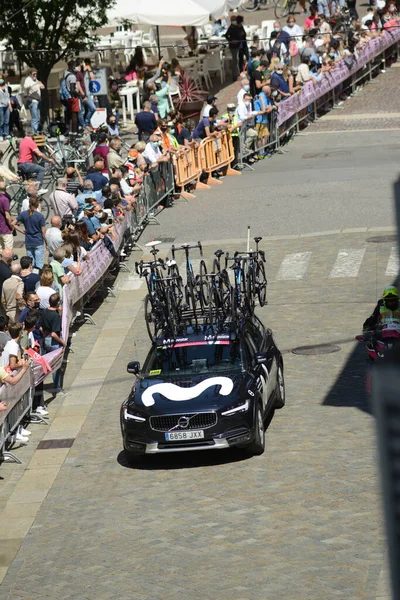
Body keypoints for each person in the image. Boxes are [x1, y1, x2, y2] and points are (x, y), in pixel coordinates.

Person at [40, 292, 66, 395]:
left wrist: (45, 335)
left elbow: (41, 328)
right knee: (56, 366)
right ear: (58, 302)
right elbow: (55, 334)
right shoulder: (55, 316)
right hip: (54, 342)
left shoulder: (45, 312)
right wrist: (63, 342)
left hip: (46, 338)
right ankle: (58, 389)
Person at [13, 197, 46, 270]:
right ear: (37, 204)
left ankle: (30, 276)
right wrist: (46, 242)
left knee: (30, 263)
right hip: (38, 241)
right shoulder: (40, 216)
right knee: (39, 263)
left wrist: (22, 231)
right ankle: (37, 277)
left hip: (28, 240)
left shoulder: (23, 214)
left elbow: (13, 223)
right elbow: (43, 231)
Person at [225, 14, 248, 81]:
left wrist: (242, 34)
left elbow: (244, 34)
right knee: (235, 61)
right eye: (233, 20)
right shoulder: (231, 27)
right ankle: (234, 76)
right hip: (234, 46)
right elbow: (227, 35)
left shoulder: (239, 26)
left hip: (241, 45)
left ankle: (241, 72)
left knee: (240, 59)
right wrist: (231, 41)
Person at [76, 58, 96, 130]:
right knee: (83, 110)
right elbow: (78, 84)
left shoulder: (85, 72)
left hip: (87, 93)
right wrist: (83, 94)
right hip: (83, 94)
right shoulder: (79, 73)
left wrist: (90, 70)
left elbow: (93, 78)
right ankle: (83, 124)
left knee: (90, 109)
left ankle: (86, 123)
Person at [23, 69, 45, 135]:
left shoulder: (36, 80)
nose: (35, 75)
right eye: (33, 74)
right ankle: (34, 132)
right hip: (32, 101)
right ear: (30, 74)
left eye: (36, 74)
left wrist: (41, 85)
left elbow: (42, 87)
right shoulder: (28, 80)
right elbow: (25, 86)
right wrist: (35, 83)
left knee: (38, 117)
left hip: (37, 101)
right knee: (34, 118)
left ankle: (37, 131)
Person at [0, 183, 14, 250]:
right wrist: (12, 226)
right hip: (5, 229)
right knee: (8, 252)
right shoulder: (4, 199)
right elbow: (7, 216)